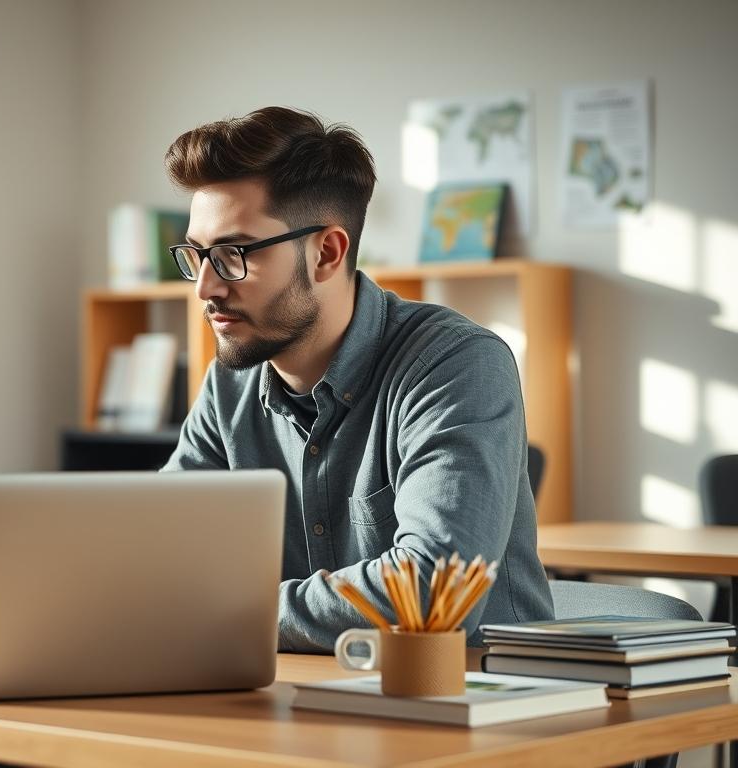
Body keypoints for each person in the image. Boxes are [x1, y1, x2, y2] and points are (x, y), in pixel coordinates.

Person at [160, 107, 553, 651]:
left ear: (327, 252)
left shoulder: (456, 364)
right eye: (196, 256)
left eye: (231, 255)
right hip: (298, 703)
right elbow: (159, 565)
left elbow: (433, 596)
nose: (205, 287)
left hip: (473, 710)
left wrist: (225, 610)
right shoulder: (231, 385)